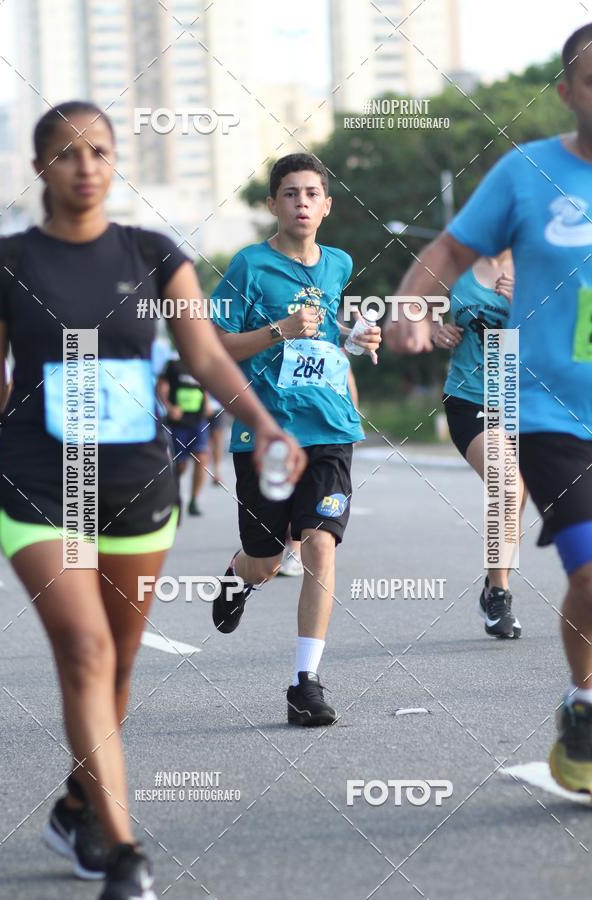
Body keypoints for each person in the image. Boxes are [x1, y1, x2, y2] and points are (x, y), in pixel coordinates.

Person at [0, 101, 304, 900]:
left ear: (115, 160)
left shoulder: (154, 254)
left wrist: (265, 426)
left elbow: (203, 355)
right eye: (66, 153)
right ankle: (125, 851)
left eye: (99, 150)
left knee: (120, 663)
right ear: (40, 170)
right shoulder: (7, 261)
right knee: (86, 652)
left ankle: (77, 804)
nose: (85, 165)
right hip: (40, 484)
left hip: (136, 483)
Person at [385, 23, 592, 794]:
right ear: (568, 92)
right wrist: (413, 308)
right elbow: (444, 252)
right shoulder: (526, 174)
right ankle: (583, 701)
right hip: (543, 412)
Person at [210, 152, 381, 726]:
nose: (302, 202)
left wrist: (357, 338)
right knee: (266, 560)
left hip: (330, 427)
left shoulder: (339, 262)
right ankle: (238, 576)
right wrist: (277, 331)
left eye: (312, 193)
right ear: (273, 205)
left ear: (327, 206)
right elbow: (213, 348)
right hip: (265, 432)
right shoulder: (248, 266)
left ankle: (304, 681)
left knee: (320, 544)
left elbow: (331, 328)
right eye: (290, 194)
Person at [435, 251, 527, 638]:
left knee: (516, 498)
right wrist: (432, 328)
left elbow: (570, 328)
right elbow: (413, 312)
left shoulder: (538, 265)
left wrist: (523, 303)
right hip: (470, 398)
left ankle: (493, 583)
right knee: (507, 485)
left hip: (527, 402)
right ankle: (500, 595)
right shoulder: (455, 264)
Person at [158, 355, 210, 516]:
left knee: (201, 457)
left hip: (198, 421)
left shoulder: (200, 360)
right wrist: (169, 407)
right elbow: (161, 387)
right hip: (179, 422)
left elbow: (205, 386)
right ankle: (174, 497)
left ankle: (194, 501)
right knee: (180, 465)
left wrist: (207, 405)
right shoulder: (173, 364)